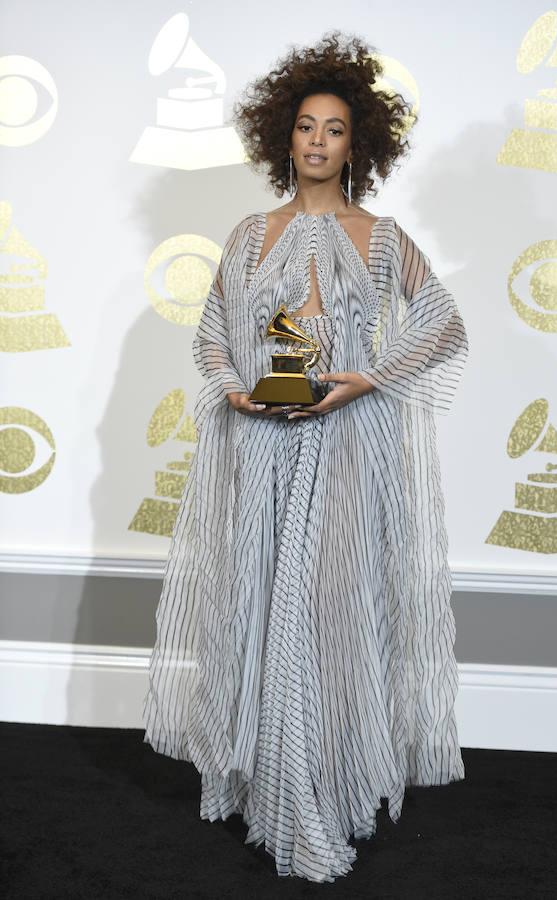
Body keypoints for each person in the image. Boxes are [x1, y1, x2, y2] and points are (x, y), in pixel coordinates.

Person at [143, 31, 469, 883]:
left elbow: (444, 323)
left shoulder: (381, 237)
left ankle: (326, 791)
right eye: (305, 127)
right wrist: (233, 388)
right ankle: (276, 790)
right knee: (263, 602)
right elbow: (213, 335)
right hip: (264, 446)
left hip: (350, 447)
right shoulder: (252, 233)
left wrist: (368, 379)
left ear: (357, 145)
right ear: (282, 138)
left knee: (332, 611)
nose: (317, 141)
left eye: (334, 129)